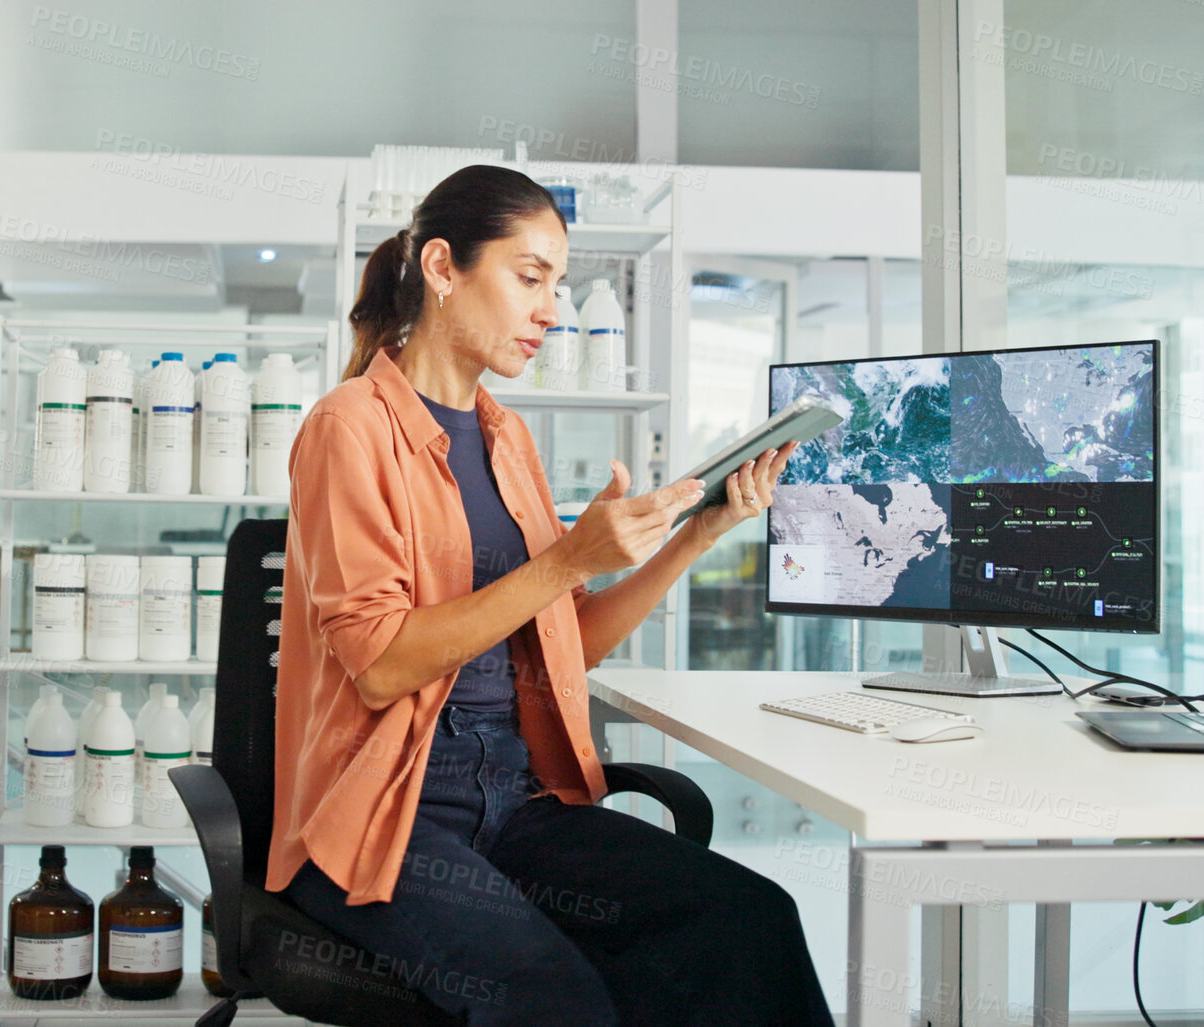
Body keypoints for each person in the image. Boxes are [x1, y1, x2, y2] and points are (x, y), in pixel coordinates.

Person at [265, 165, 831, 1026]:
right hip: (387, 815)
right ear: (444, 267)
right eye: (529, 278)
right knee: (555, 1003)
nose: (550, 309)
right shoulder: (348, 426)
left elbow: (567, 646)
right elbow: (379, 668)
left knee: (747, 919)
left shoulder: (506, 436)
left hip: (514, 799)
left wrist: (696, 534)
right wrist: (569, 558)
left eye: (556, 285)